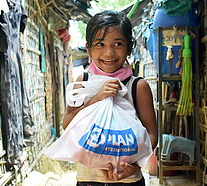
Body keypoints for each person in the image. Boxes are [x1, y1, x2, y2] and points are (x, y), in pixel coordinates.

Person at [62, 10, 158, 186]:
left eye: (118, 44)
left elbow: (152, 133)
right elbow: (67, 124)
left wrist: (135, 166)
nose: (109, 53)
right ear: (89, 49)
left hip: (129, 181)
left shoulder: (137, 87)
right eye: (100, 44)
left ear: (130, 48)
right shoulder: (83, 82)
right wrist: (96, 98)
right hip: (89, 180)